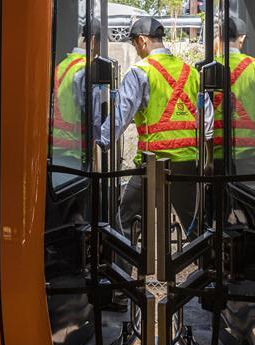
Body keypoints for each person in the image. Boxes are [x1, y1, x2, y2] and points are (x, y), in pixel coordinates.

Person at [100, 16, 212, 240]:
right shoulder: (191, 73)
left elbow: (121, 115)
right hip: (187, 162)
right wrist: (207, 160)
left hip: (152, 163)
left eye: (134, 44)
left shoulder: (139, 72)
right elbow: (207, 121)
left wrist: (101, 142)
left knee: (125, 223)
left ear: (142, 40)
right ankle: (206, 261)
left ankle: (125, 263)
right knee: (196, 227)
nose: (136, 50)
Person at [213, 16, 255, 177]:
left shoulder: (207, 69)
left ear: (219, 38)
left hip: (215, 153)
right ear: (241, 38)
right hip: (249, 152)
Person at [50, 18, 101, 174]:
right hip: (75, 152)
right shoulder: (86, 69)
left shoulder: (61, 66)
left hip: (55, 147)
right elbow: (94, 116)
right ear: (93, 40)